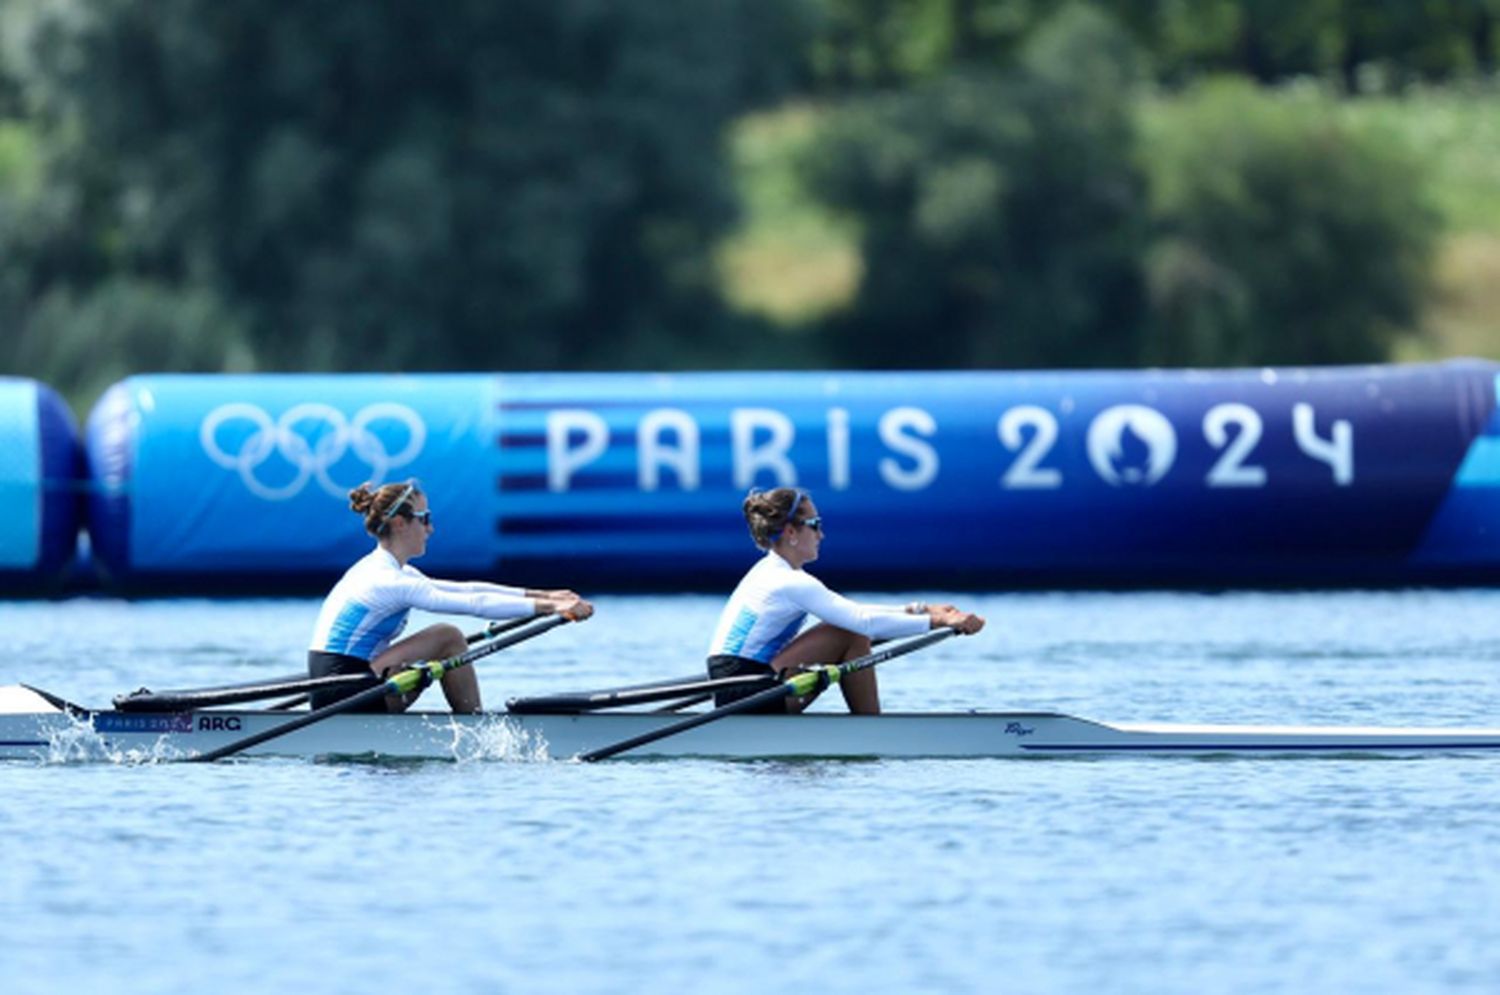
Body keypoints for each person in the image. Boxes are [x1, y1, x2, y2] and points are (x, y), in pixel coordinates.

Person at [307, 479, 592, 713]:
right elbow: (474, 604)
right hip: (343, 693)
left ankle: (468, 722)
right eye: (424, 518)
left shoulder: (391, 570)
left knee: (436, 649)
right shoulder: (389, 580)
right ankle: (476, 728)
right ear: (399, 523)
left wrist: (550, 597)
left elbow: (467, 589)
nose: (430, 528)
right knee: (448, 637)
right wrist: (548, 607)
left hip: (341, 685)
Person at [706, 487, 984, 715]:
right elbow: (862, 622)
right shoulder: (790, 581)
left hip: (739, 684)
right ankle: (872, 731)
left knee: (850, 629)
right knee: (851, 634)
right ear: (790, 532)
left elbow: (855, 611)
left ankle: (867, 726)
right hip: (746, 691)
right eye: (815, 525)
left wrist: (919, 610)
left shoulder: (773, 571)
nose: (821, 535)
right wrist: (940, 620)